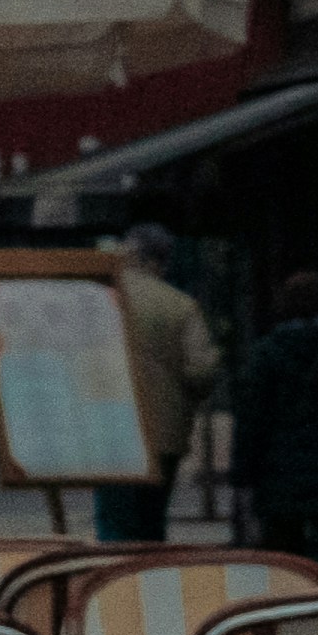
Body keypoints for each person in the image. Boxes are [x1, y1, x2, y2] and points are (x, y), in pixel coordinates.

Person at [227, 268, 318, 571]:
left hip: (279, 471)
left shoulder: (268, 353)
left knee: (282, 559)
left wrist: (243, 477)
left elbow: (252, 419)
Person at [103, 224, 223, 542]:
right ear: (161, 261)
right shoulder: (180, 306)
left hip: (109, 427)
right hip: (164, 432)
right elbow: (201, 370)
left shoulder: (101, 300)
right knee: (151, 521)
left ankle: (112, 579)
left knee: (113, 520)